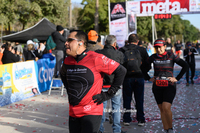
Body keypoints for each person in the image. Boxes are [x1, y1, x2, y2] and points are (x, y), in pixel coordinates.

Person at [60, 30, 126, 133]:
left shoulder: (95, 58)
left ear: (80, 43)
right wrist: (69, 90)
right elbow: (63, 74)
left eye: (69, 40)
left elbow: (121, 71)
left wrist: (108, 94)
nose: (66, 43)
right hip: (73, 112)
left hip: (91, 112)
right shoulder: (67, 60)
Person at [146, 39, 188, 133]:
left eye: (160, 47)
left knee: (166, 107)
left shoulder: (171, 55)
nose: (158, 49)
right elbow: (143, 67)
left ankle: (171, 129)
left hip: (169, 85)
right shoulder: (153, 57)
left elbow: (185, 65)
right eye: (156, 47)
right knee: (162, 109)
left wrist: (177, 78)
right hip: (157, 86)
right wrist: (148, 78)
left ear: (165, 47)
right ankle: (166, 129)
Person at [95, 35, 125, 133]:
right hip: (115, 85)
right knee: (116, 108)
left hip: (102, 85)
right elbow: (121, 69)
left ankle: (100, 129)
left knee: (101, 109)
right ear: (114, 44)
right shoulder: (119, 54)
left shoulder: (98, 53)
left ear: (105, 43)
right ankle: (117, 130)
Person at [119, 34, 149, 127]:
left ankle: (126, 119)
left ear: (128, 41)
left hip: (127, 78)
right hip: (139, 77)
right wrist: (143, 72)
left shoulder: (122, 50)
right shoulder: (142, 50)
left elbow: (119, 64)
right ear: (137, 41)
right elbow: (148, 65)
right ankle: (141, 119)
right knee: (139, 99)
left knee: (127, 99)